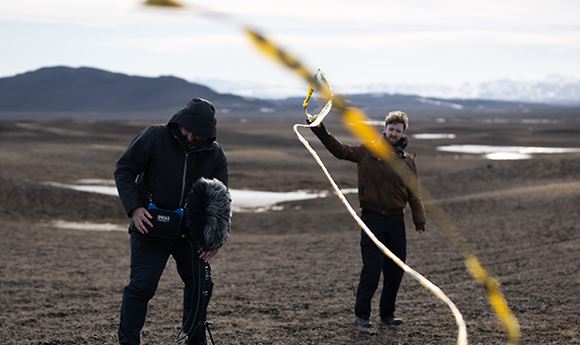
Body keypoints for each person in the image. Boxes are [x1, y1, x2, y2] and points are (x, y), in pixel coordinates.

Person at [114, 97, 229, 345]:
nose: (190, 138)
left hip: (190, 232)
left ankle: (194, 340)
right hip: (150, 226)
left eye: (197, 135)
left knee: (201, 285)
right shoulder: (154, 137)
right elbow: (124, 169)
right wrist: (135, 208)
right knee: (142, 287)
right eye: (188, 131)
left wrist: (214, 237)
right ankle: (128, 342)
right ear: (180, 122)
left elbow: (219, 196)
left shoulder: (215, 153)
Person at [310, 110, 426, 328]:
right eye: (391, 129)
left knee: (395, 271)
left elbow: (414, 193)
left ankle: (387, 315)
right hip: (372, 219)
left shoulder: (408, 162)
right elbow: (340, 151)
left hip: (396, 221)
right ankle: (362, 316)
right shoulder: (367, 151)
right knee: (371, 270)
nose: (393, 133)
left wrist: (419, 220)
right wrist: (319, 129)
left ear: (403, 134)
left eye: (398, 131)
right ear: (385, 129)